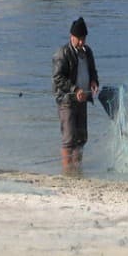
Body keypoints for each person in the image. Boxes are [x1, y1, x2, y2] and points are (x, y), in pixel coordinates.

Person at [52, 17, 99, 173]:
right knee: (69, 140)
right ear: (72, 36)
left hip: (83, 100)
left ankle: (77, 170)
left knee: (81, 139)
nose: (81, 42)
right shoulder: (62, 53)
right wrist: (75, 89)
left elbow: (92, 70)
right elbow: (58, 78)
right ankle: (67, 172)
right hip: (67, 101)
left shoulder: (88, 51)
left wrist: (94, 81)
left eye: (83, 38)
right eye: (79, 39)